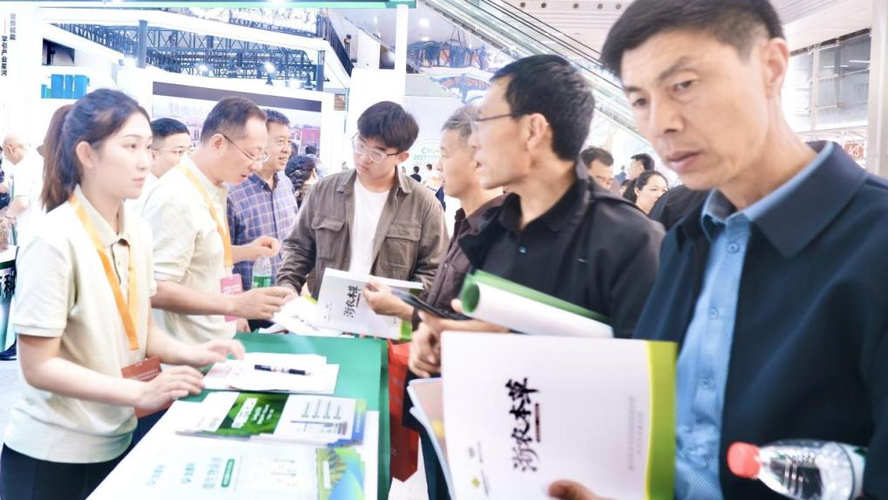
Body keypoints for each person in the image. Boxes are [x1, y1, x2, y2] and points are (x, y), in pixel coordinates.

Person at [550, 0, 888, 498]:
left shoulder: (874, 243)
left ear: (771, 66)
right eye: (640, 100)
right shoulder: (689, 237)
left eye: (684, 85)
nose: (660, 123)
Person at [0, 89, 244, 500]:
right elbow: (39, 367)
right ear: (87, 154)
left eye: (147, 147)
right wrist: (141, 391)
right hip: (53, 455)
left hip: (117, 439)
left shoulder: (137, 230)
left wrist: (197, 353)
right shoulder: (53, 238)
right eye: (130, 147)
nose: (144, 161)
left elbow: (144, 330)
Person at [410, 55, 664, 378]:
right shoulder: (494, 227)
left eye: (484, 122)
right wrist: (438, 339)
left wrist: (513, 348)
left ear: (533, 130)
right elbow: (473, 327)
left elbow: (651, 381)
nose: (473, 141)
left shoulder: (630, 240)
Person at [363, 105, 504, 500]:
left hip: (464, 405)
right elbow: (443, 301)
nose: (438, 165)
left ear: (478, 156)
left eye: (444, 153)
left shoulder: (500, 233)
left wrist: (401, 309)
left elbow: (479, 327)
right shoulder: (466, 222)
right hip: (436, 394)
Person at [143, 97, 295, 344]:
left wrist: (247, 252)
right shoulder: (177, 197)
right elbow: (155, 288)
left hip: (216, 343)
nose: (256, 166)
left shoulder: (214, 189)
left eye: (261, 155)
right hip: (187, 352)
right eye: (251, 154)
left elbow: (204, 260)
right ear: (218, 143)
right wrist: (234, 305)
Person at [277, 101, 448, 297]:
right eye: (360, 145)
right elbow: (298, 247)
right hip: (325, 310)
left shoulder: (423, 204)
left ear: (401, 157)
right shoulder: (324, 190)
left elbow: (433, 270)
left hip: (386, 315)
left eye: (376, 153)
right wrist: (288, 285)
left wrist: (402, 303)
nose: (363, 157)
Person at [226, 110, 299, 330]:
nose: (287, 149)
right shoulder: (232, 191)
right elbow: (221, 260)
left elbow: (293, 243)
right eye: (280, 141)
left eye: (289, 141)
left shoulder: (286, 185)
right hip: (248, 308)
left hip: (285, 306)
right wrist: (234, 313)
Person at [132, 118, 191, 211]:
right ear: (153, 155)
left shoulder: (176, 184)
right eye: (179, 151)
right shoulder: (142, 197)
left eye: (189, 150)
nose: (186, 159)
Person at [3, 132, 45, 247]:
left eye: (6, 156)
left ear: (10, 148)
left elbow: (21, 203)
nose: (9, 161)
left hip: (30, 233)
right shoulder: (41, 161)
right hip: (46, 229)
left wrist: (8, 217)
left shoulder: (22, 166)